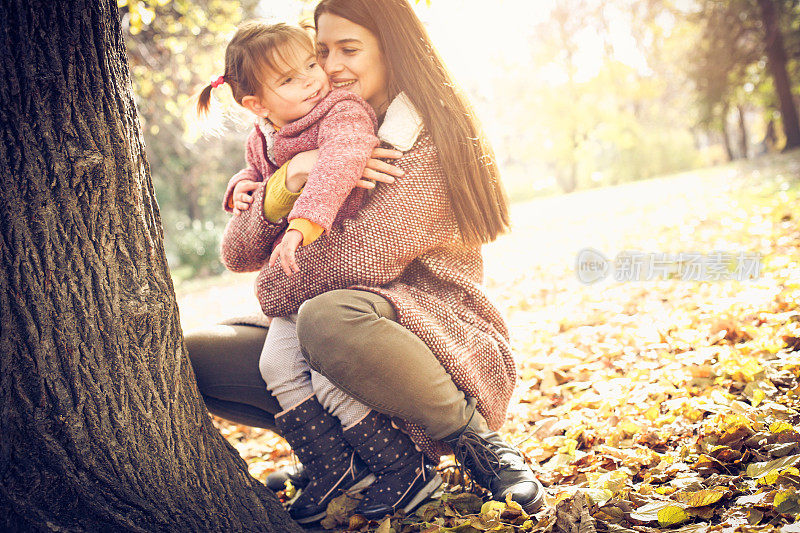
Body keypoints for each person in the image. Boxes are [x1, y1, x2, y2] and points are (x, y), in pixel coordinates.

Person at [187, 0, 545, 521]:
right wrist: (286, 182)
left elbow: (352, 263)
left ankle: (477, 443)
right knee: (198, 355)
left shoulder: (419, 141)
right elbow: (238, 252)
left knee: (325, 317)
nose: (329, 68)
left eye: (348, 49)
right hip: (326, 319)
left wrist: (277, 261)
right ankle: (347, 459)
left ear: (392, 50)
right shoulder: (302, 134)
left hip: (429, 338)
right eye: (321, 50)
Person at [197, 21, 442, 523]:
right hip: (299, 290)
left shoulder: (340, 110)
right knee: (277, 368)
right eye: (291, 79)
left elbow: (342, 160)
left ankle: (403, 466)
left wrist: (300, 225)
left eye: (312, 63)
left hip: (337, 284)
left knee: (331, 376)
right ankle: (335, 465)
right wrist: (246, 187)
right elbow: (245, 226)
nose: (314, 77)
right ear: (257, 106)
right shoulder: (262, 137)